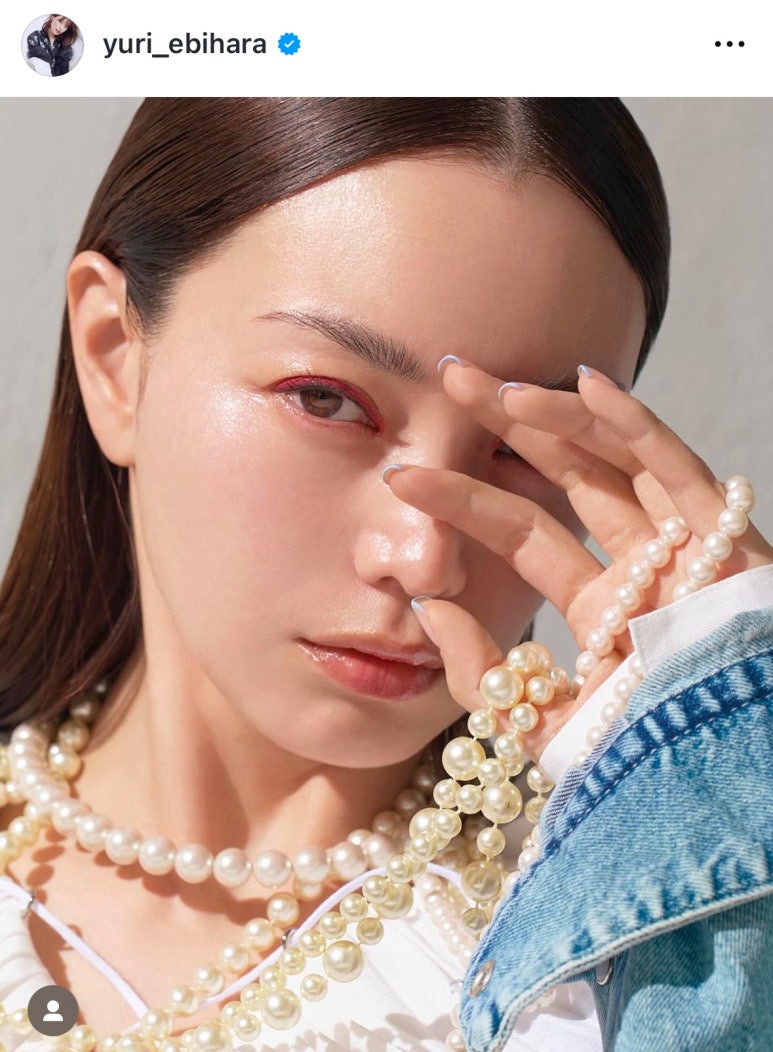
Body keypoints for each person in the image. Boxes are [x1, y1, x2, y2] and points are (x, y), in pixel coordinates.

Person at [0, 98, 770, 1052]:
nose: (423, 558)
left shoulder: (608, 970)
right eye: (326, 401)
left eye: (523, 448)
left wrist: (724, 803)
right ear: (116, 359)